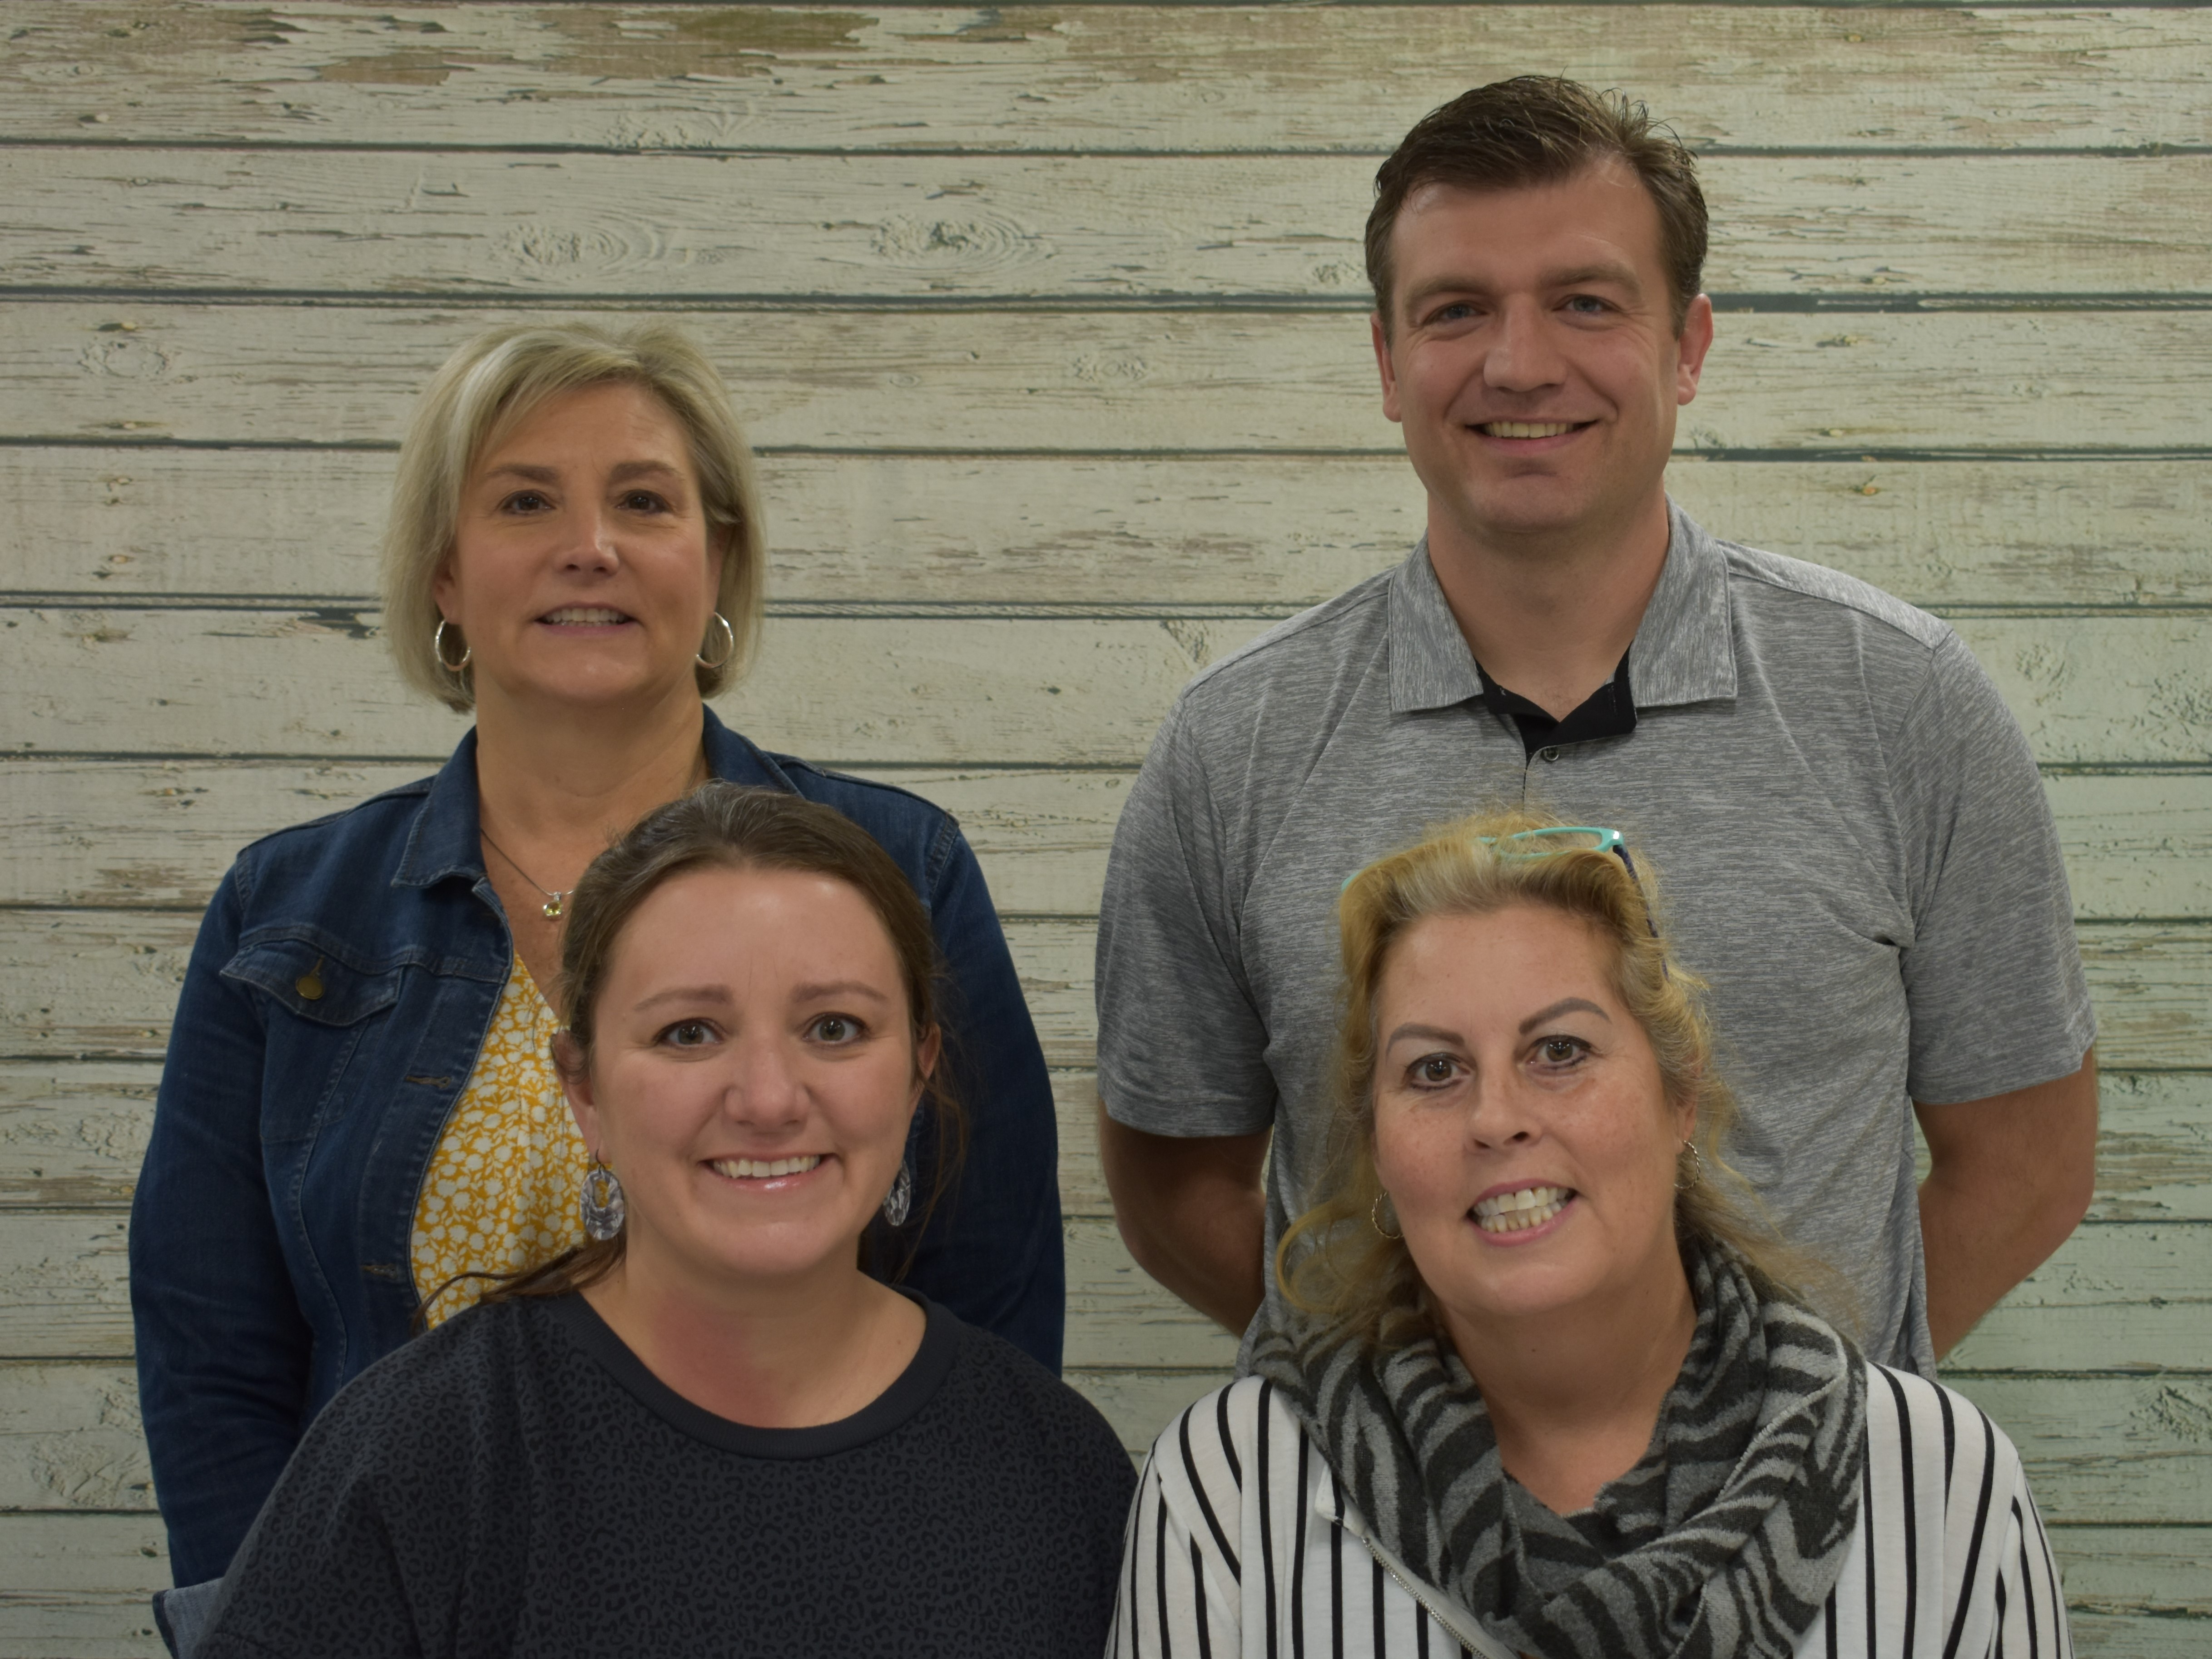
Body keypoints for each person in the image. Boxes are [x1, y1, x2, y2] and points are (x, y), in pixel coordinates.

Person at [1093, 77, 2097, 1373]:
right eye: (1456, 310)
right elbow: (1174, 1181)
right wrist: (1401, 1393)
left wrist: (1807, 1408)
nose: (1519, 363)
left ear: (1685, 344)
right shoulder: (1232, 749)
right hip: (1373, 1549)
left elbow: (2024, 1160)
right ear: (1388, 363)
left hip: (1813, 1543)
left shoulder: (1898, 703)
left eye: (1583, 301)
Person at [130, 321, 1064, 1592]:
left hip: (816, 1593)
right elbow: (212, 1355)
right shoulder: (289, 910)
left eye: (643, 500)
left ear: (717, 555)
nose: (593, 545)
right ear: (446, 572)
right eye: (525, 500)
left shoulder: (899, 868)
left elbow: (990, 1305)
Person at [165, 784, 1133, 1659]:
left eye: (833, 1028)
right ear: (583, 1090)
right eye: (688, 1033)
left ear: (920, 1069)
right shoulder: (417, 1461)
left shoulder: (1060, 1470)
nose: (766, 1098)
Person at [1110, 816, 2073, 1658]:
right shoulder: (1228, 1489)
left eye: (1559, 1052)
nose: (1496, 1117)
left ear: (1678, 1094)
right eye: (1434, 1070)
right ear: (1378, 1150)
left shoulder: (1939, 1483)